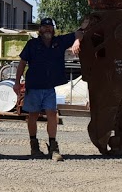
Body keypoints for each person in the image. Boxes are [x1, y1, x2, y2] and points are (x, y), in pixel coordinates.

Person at [14, 17, 82, 161]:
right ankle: (34, 145)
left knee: (52, 114)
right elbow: (22, 63)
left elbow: (79, 33)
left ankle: (53, 147)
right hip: (34, 86)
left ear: (53, 29)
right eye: (44, 27)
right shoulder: (32, 44)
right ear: (39, 30)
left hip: (49, 87)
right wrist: (16, 83)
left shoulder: (59, 42)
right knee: (32, 115)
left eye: (50, 27)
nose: (47, 29)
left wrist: (77, 41)